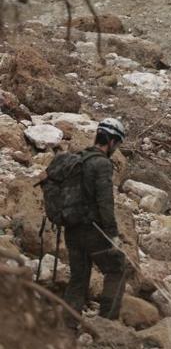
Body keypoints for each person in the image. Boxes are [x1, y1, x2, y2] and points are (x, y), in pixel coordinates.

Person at [64, 117, 128, 320]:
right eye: (116, 144)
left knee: (78, 279)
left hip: (71, 229)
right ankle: (106, 322)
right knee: (117, 268)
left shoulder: (78, 158)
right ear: (111, 141)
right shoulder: (102, 164)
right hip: (93, 231)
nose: (116, 148)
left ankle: (68, 326)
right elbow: (105, 203)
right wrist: (113, 235)